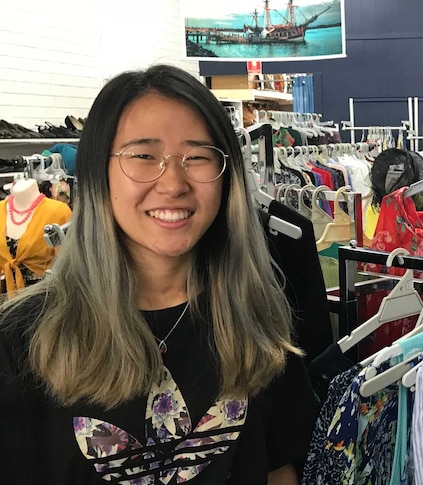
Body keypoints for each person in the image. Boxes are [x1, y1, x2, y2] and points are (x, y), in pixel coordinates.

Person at [0, 64, 318, 484]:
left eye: (198, 157)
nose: (173, 183)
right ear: (98, 173)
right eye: (144, 156)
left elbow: (278, 469)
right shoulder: (20, 343)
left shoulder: (256, 316)